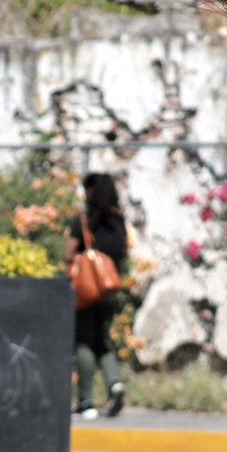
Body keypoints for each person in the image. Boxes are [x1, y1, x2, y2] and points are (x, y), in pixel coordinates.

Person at [65, 172, 128, 420]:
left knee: (83, 342)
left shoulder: (84, 222)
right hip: (109, 288)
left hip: (86, 290)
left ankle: (86, 401)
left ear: (90, 192)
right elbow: (121, 252)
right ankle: (114, 383)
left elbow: (68, 254)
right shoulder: (118, 222)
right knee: (102, 338)